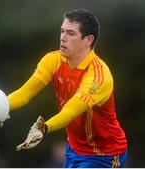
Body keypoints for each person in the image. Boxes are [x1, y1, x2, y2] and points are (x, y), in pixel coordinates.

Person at [7, 9, 128, 168]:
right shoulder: (53, 60)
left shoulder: (98, 76)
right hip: (74, 149)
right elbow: (24, 94)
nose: (63, 38)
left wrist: (44, 128)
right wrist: (2, 105)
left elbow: (69, 112)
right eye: (62, 31)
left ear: (88, 40)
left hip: (104, 154)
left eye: (71, 33)